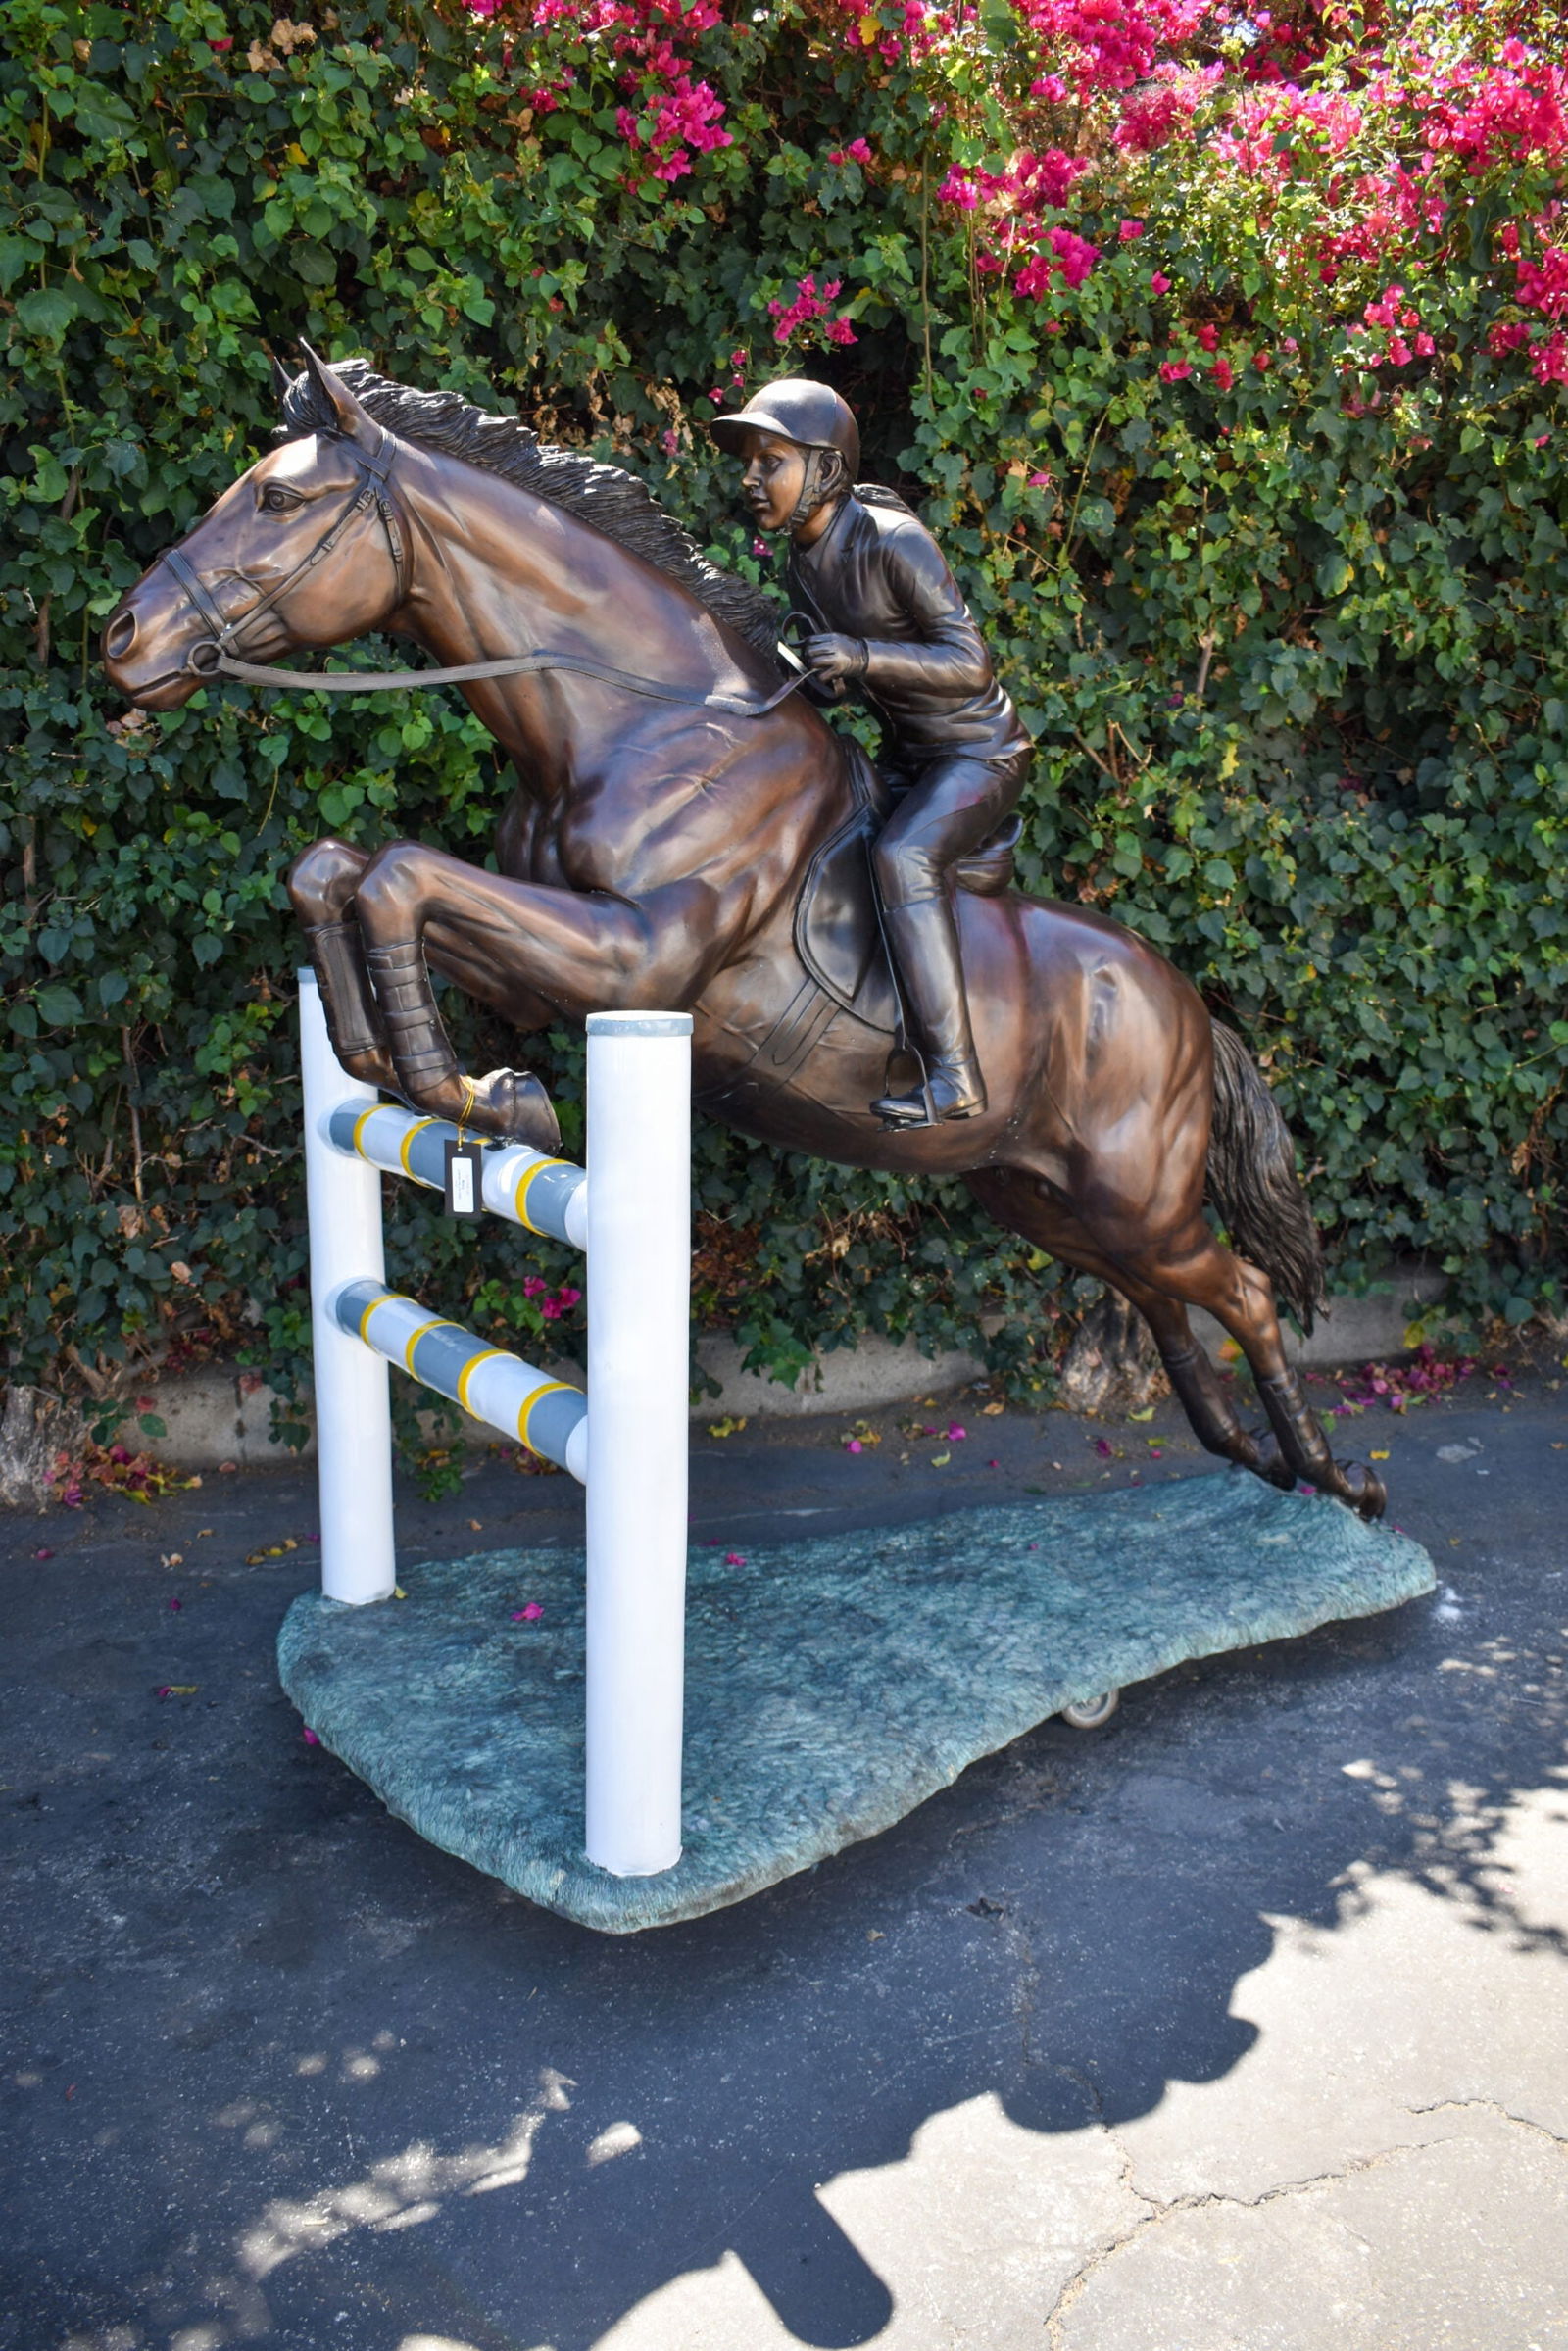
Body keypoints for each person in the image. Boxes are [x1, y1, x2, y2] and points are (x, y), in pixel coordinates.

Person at [710, 376, 1032, 1126]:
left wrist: (857, 654)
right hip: (909, 756)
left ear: (824, 468)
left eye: (771, 461)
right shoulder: (802, 561)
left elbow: (968, 664)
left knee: (900, 858)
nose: (752, 479)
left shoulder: (895, 542)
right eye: (750, 463)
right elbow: (842, 684)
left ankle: (954, 1073)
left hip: (977, 756)